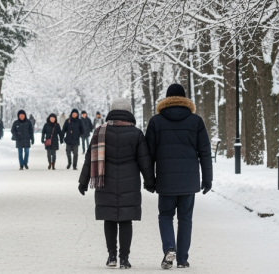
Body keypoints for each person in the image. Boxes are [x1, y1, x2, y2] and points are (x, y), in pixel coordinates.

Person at [78, 98, 155, 269]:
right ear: (129, 113)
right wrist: (150, 182)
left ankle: (112, 256)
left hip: (105, 181)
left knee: (110, 219)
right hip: (130, 183)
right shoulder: (136, 133)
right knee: (126, 220)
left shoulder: (100, 131)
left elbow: (90, 159)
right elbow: (145, 160)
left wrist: (83, 182)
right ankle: (125, 259)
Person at [145, 84, 212, 269]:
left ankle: (169, 247)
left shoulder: (156, 121)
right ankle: (182, 259)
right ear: (185, 99)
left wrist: (149, 180)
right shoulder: (196, 121)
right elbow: (205, 152)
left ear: (166, 99)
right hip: (189, 180)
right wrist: (207, 179)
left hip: (166, 180)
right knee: (185, 218)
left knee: (165, 215)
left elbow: (148, 154)